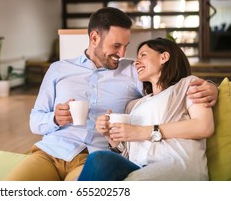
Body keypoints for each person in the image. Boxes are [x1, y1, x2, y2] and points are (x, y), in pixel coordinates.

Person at [4, 7, 218, 181]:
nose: (122, 54)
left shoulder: (132, 70)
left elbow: (169, 82)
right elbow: (35, 120)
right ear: (94, 37)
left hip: (92, 157)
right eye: (116, 45)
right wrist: (54, 118)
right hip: (50, 152)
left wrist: (211, 87)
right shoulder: (58, 69)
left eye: (126, 46)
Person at [78, 38, 214, 181]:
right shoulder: (134, 105)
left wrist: (141, 132)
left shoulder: (187, 85)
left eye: (143, 55)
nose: (136, 62)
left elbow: (204, 126)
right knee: (99, 159)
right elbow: (128, 154)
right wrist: (109, 135)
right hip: (138, 167)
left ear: (164, 57)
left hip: (175, 164)